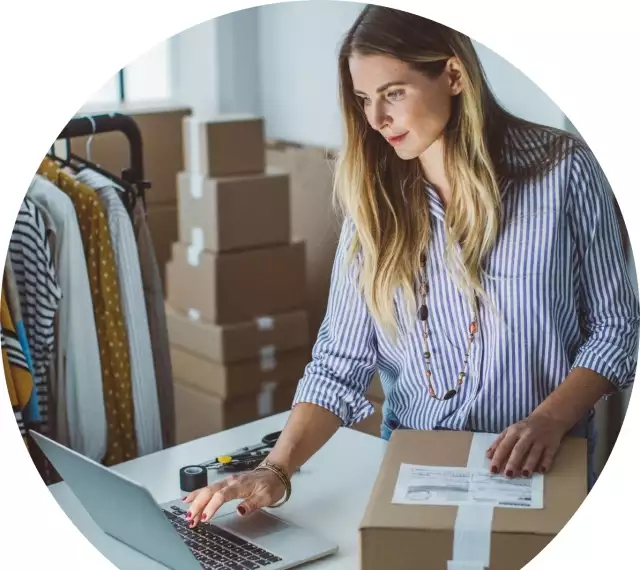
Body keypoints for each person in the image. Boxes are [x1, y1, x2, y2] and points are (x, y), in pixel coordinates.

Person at [184, 5, 640, 527]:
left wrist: (549, 420)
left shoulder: (564, 171)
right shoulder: (374, 203)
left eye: (393, 93)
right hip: (416, 471)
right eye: (363, 100)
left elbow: (617, 328)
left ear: (453, 74)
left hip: (542, 468)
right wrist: (275, 470)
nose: (376, 119)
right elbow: (340, 361)